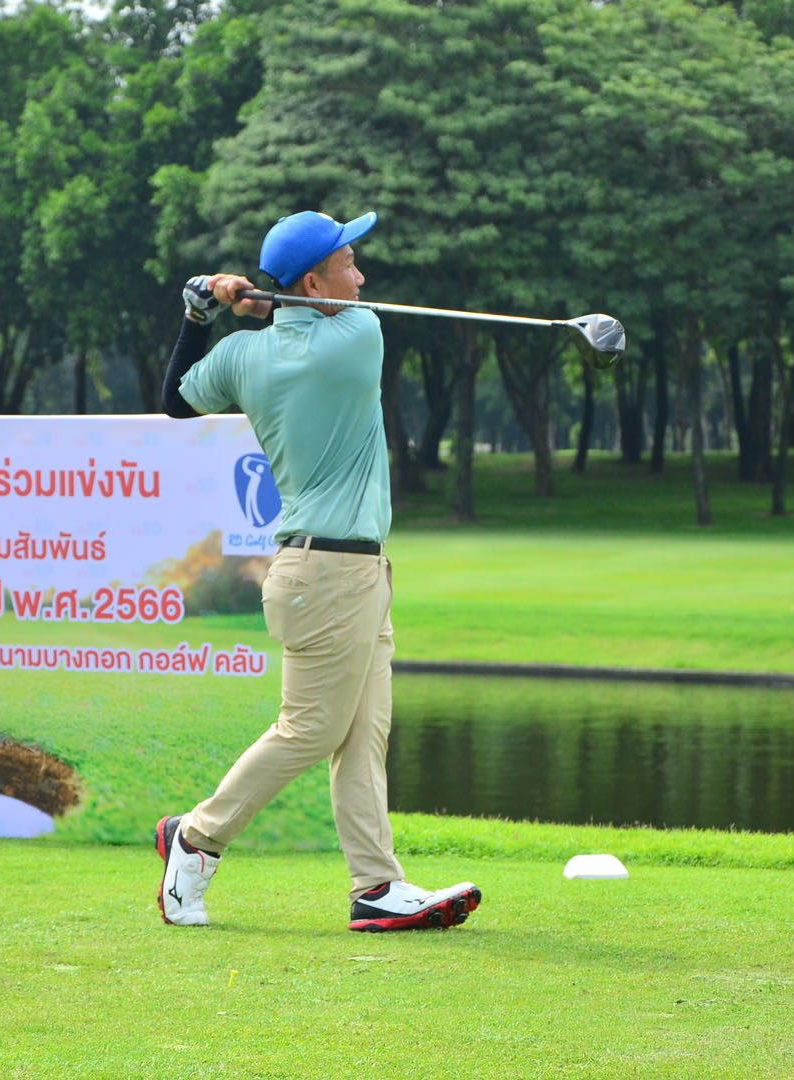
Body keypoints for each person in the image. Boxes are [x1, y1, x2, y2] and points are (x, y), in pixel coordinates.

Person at [155, 210, 482, 932]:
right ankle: (196, 838)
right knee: (309, 729)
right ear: (313, 282)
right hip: (329, 573)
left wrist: (201, 315)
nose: (361, 278)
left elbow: (175, 400)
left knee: (362, 736)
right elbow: (321, 322)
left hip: (343, 573)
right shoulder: (357, 337)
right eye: (348, 265)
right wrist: (257, 307)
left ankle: (376, 886)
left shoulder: (243, 355)